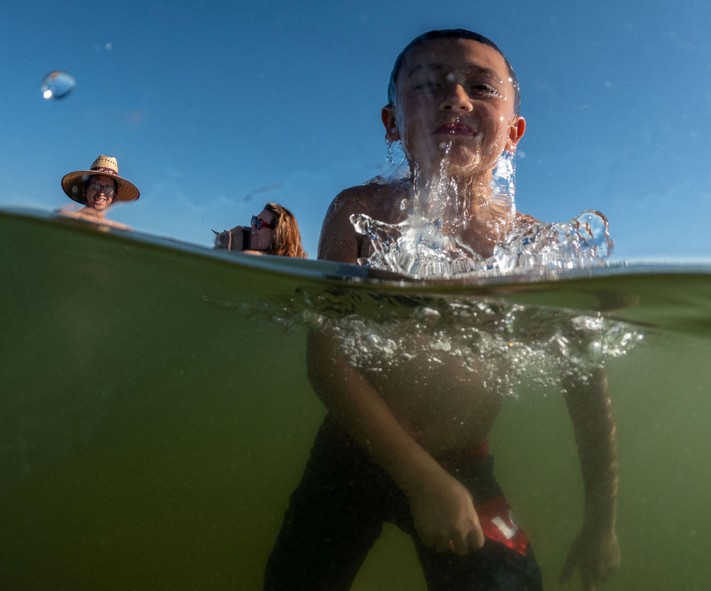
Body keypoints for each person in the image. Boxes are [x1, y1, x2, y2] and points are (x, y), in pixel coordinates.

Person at [265, 30, 619, 591]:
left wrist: (601, 524)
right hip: (348, 455)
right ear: (391, 122)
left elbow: (586, 387)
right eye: (429, 84)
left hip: (465, 465)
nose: (455, 97)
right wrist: (419, 479)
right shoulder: (359, 210)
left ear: (514, 133)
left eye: (480, 86)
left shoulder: (539, 248)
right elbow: (327, 362)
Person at [58, 154, 140, 230]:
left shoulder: (112, 231)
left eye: (108, 188)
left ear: (114, 195)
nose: (101, 192)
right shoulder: (66, 218)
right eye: (95, 186)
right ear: (84, 190)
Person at [213, 202, 308, 258]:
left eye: (259, 223)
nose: (252, 227)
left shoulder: (252, 257)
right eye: (254, 220)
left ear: (277, 234)